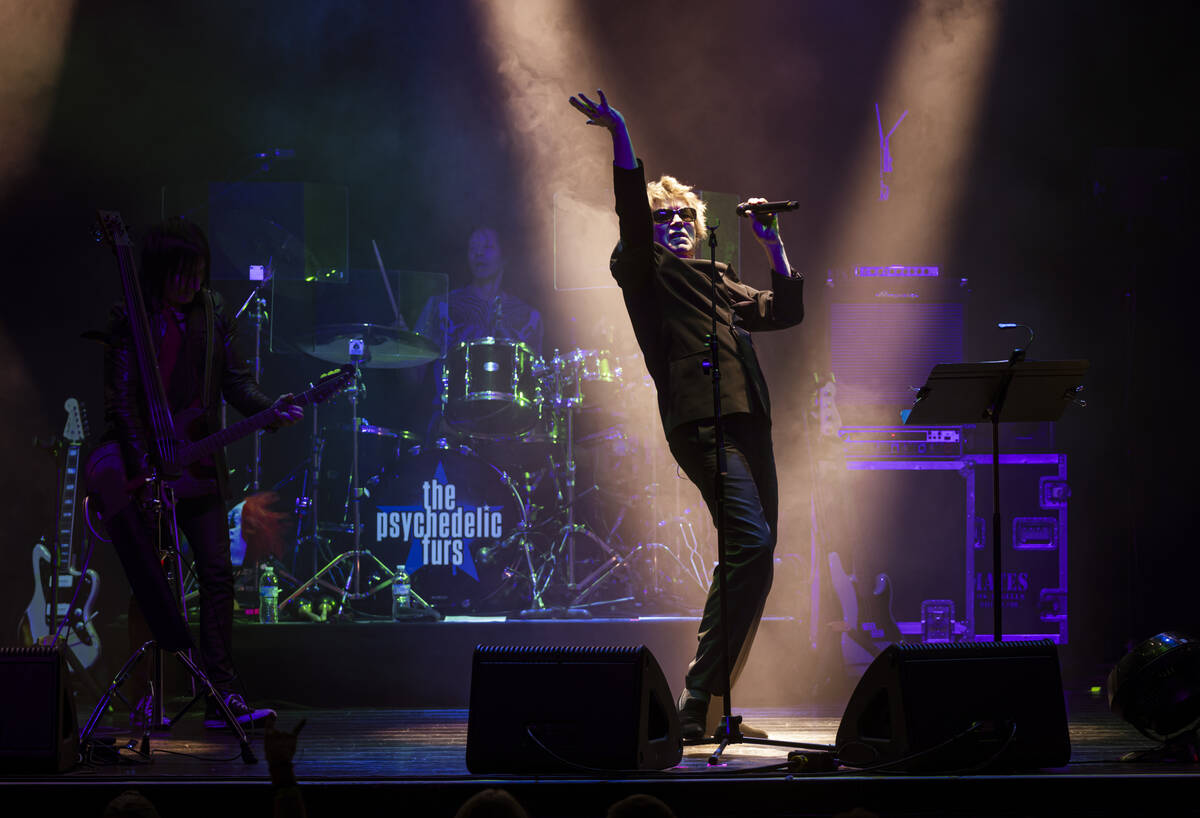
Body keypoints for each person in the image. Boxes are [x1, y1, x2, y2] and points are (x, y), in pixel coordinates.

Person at [569, 89, 806, 740]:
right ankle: (694, 702)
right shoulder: (644, 273)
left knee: (758, 556)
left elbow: (784, 310)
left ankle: (709, 705)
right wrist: (620, 133)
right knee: (750, 543)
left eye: (684, 217)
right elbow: (629, 209)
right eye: (664, 216)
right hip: (701, 422)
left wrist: (773, 243)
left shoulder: (719, 275)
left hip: (749, 418)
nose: (676, 224)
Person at [103, 217, 303, 729]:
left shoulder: (212, 312)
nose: (192, 285)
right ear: (159, 272)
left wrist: (268, 408)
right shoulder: (134, 318)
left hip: (201, 467)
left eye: (198, 274)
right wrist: (144, 466)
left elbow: (235, 382)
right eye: (181, 275)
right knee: (152, 585)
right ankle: (148, 695)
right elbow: (121, 405)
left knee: (217, 577)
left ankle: (223, 699)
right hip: (149, 470)